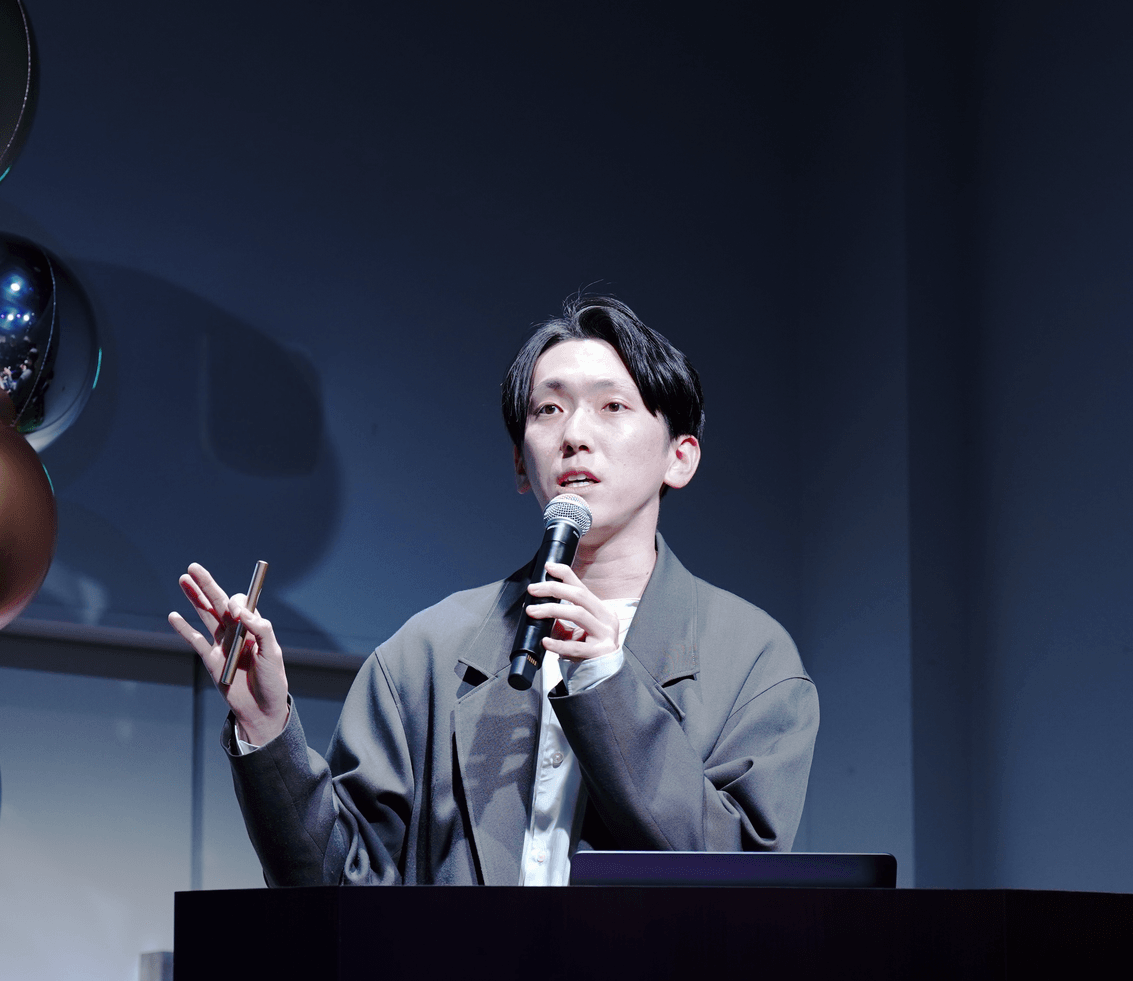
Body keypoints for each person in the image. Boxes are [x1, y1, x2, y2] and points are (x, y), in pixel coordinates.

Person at [170, 296, 818, 886]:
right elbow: (338, 896)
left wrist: (605, 684)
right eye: (548, 409)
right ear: (518, 463)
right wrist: (266, 727)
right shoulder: (422, 655)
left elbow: (743, 885)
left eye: (613, 406)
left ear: (681, 455)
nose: (574, 434)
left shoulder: (753, 659)